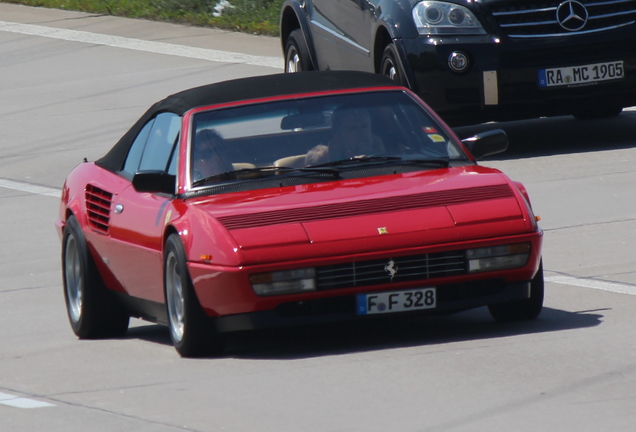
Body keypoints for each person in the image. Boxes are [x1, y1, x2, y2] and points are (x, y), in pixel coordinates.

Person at [305, 106, 384, 165]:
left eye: (365, 126)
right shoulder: (333, 168)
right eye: (354, 128)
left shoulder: (387, 159)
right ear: (338, 136)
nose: (362, 132)